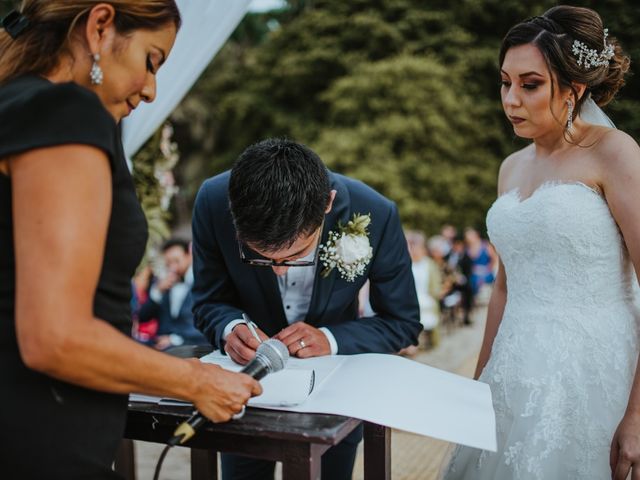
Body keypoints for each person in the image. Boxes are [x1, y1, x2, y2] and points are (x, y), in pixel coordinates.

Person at [0, 2, 261, 478]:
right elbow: (54, 336)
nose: (150, 90)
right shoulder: (64, 110)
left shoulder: (13, 104)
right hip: (40, 444)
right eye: (151, 61)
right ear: (101, 27)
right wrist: (195, 380)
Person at [444, 6, 640, 480]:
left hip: (594, 375)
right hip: (513, 372)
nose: (511, 99)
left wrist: (637, 415)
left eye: (529, 84)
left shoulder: (614, 153)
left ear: (574, 88)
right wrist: (478, 385)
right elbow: (506, 289)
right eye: (505, 82)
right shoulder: (510, 168)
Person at [191, 138, 421, 480]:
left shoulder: (376, 212)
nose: (279, 270)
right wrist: (228, 327)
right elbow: (207, 300)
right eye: (259, 257)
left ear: (328, 204)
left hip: (333, 403)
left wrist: (331, 339)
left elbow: (402, 322)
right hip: (246, 398)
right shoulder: (212, 200)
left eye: (295, 256)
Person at [138, 238, 209, 349]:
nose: (172, 267)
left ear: (189, 256)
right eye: (168, 263)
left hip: (192, 346)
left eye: (176, 261)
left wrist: (175, 340)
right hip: (159, 347)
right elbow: (142, 317)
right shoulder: (161, 284)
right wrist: (157, 291)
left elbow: (208, 324)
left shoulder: (204, 282)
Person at [406, 230, 441, 348]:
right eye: (413, 248)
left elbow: (435, 286)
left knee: (424, 306)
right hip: (410, 297)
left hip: (427, 296)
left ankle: (427, 340)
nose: (415, 251)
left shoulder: (429, 264)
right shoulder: (407, 264)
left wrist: (433, 295)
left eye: (417, 248)